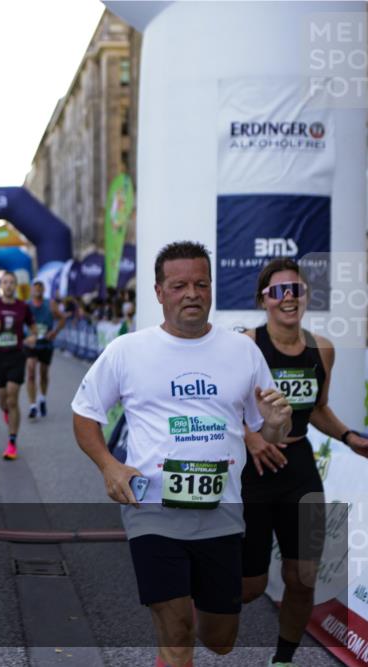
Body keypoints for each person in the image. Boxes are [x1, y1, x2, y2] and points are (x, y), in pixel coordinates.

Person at [71, 241, 292, 667]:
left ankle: (186, 608)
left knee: (221, 639)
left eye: (201, 284)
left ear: (211, 289)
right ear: (159, 292)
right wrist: (109, 466)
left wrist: (276, 422)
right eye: (179, 285)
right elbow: (84, 414)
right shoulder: (127, 351)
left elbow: (270, 430)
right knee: (177, 635)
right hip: (152, 509)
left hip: (221, 511)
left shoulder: (243, 351)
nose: (191, 293)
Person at [238, 258, 368, 667]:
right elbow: (222, 408)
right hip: (253, 468)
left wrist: (348, 436)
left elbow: (317, 409)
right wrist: (252, 438)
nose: (288, 297)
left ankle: (283, 659)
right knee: (251, 585)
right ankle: (186, 617)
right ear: (264, 300)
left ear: (306, 296)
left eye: (295, 289)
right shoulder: (246, 344)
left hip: (299, 467)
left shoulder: (322, 349)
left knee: (302, 577)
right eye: (278, 291)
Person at [0, 271, 35, 460]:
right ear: (1, 285)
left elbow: (32, 326)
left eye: (12, 282)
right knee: (3, 401)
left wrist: (32, 336)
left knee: (13, 399)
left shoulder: (22, 307)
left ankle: (12, 442)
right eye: (5, 282)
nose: (9, 285)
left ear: (16, 285)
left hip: (17, 356)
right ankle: (6, 412)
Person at [25, 280, 65, 419]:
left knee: (43, 373)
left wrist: (54, 332)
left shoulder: (50, 304)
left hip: (46, 343)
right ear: (31, 290)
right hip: (31, 343)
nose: (37, 291)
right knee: (30, 370)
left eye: (40, 289)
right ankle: (32, 406)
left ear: (43, 291)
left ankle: (42, 398)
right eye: (35, 289)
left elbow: (62, 318)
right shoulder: (27, 305)